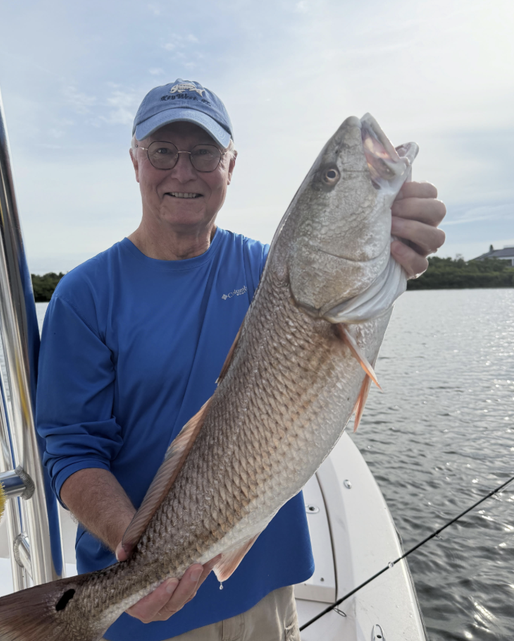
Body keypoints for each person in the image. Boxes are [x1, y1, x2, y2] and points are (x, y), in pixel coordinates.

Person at [34, 79, 446, 641]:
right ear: (135, 161)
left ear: (231, 165)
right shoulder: (83, 294)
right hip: (141, 615)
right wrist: (137, 555)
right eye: (162, 151)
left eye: (204, 152)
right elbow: (70, 449)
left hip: (269, 594)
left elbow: (334, 344)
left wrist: (395, 254)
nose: (183, 171)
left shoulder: (267, 268)